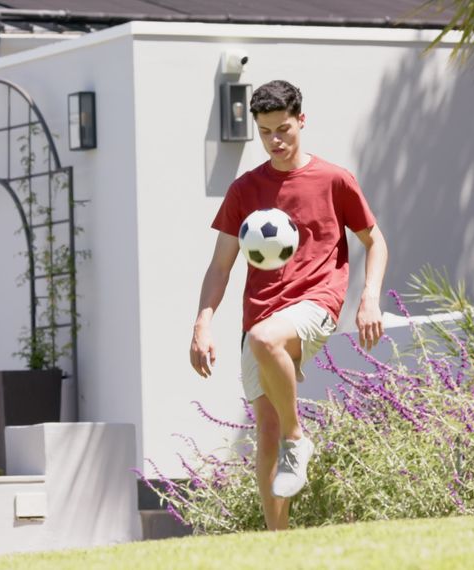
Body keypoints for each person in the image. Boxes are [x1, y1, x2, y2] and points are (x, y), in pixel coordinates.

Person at [189, 80, 388, 531]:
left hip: (316, 302)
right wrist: (203, 323)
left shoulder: (334, 179)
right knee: (265, 434)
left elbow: (375, 243)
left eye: (283, 129)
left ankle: (300, 438)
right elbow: (221, 266)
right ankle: (277, 545)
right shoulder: (245, 189)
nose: (275, 141)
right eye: (265, 133)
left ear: (302, 120)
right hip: (259, 310)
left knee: (266, 342)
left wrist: (368, 298)